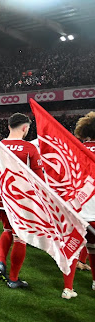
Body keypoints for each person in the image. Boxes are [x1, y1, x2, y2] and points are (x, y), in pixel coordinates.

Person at [0, 113, 44, 289]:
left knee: (7, 229)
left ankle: (1, 261)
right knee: (20, 237)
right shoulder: (30, 149)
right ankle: (13, 278)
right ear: (25, 128)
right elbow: (39, 179)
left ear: (8, 126)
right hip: (21, 199)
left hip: (0, 196)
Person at [65, 112, 95, 298]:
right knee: (93, 249)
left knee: (72, 249)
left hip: (76, 208)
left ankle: (68, 288)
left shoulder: (76, 151)